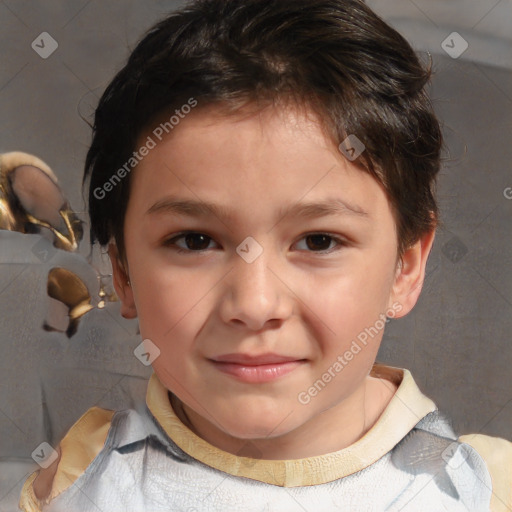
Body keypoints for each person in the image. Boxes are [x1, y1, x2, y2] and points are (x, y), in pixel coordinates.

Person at [19, 0, 512, 510]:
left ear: (404, 269)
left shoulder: (485, 488)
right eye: (195, 241)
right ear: (122, 271)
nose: (254, 305)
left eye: (319, 241)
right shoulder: (77, 482)